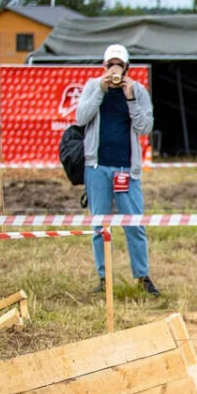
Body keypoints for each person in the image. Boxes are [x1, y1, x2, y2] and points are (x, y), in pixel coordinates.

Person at [75, 43, 159, 296]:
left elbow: (145, 127)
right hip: (97, 167)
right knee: (99, 226)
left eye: (119, 65)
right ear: (104, 66)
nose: (114, 69)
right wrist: (100, 91)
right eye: (110, 64)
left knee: (134, 224)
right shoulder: (92, 86)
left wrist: (131, 99)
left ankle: (142, 276)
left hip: (127, 169)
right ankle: (104, 278)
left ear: (126, 68)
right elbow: (81, 118)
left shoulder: (138, 91)